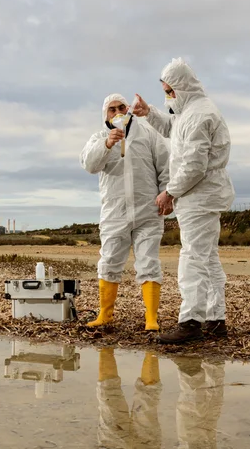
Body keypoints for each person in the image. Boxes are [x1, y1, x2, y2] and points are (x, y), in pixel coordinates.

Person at [134, 58, 235, 343]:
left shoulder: (199, 115)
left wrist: (170, 192)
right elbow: (172, 128)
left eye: (169, 91)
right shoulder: (191, 111)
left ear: (182, 88)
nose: (168, 96)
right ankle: (216, 319)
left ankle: (190, 321)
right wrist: (148, 113)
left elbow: (193, 165)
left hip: (199, 196)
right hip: (202, 195)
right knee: (208, 258)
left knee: (192, 257)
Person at [80, 94, 171, 331]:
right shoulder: (99, 138)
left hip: (148, 211)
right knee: (109, 260)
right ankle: (105, 314)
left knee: (149, 262)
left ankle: (151, 318)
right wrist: (107, 144)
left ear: (129, 109)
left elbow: (165, 166)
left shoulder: (148, 133)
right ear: (106, 115)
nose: (118, 111)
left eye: (122, 107)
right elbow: (89, 165)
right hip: (114, 212)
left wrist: (167, 195)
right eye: (112, 109)